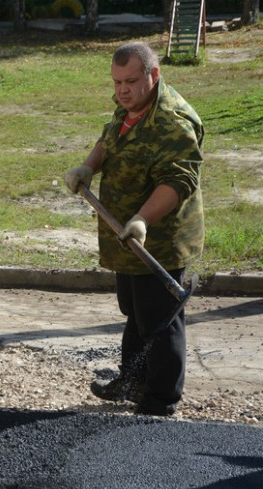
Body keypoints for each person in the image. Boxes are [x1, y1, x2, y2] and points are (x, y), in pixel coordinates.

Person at [63, 41, 204, 417]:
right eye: (116, 82)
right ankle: (133, 380)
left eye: (130, 81)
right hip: (124, 238)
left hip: (158, 240)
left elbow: (177, 181)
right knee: (135, 312)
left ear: (153, 75)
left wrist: (142, 219)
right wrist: (88, 167)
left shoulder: (173, 123)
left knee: (160, 321)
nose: (122, 90)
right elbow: (109, 139)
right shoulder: (129, 108)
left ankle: (160, 400)